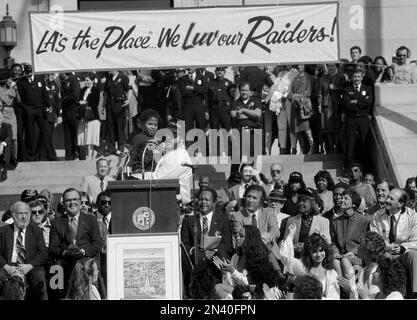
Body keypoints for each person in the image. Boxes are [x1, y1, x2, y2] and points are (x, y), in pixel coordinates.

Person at [181, 188, 233, 298]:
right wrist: (194, 250)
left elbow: (227, 245)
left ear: (214, 202)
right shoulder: (188, 221)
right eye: (200, 199)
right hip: (196, 271)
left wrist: (214, 251)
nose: (203, 202)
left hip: (216, 272)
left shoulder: (223, 220)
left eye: (206, 199)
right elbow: (184, 245)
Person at [49, 188, 101, 296]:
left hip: (85, 257)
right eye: (68, 200)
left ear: (79, 201)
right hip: (65, 259)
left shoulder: (91, 219)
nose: (72, 202)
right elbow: (53, 248)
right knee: (56, 268)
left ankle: (90, 296)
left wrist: (82, 251)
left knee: (87, 266)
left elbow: (96, 245)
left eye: (75, 199)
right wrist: (65, 252)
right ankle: (60, 297)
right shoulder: (56, 222)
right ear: (63, 203)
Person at [213, 224, 284, 300]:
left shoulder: (259, 260)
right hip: (238, 293)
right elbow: (231, 285)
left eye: (241, 236)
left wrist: (233, 271)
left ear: (250, 239)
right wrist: (226, 272)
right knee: (218, 288)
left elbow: (255, 287)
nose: (237, 237)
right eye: (237, 235)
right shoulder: (235, 257)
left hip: (255, 295)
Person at [370, 188, 417, 298]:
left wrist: (403, 248)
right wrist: (384, 246)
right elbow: (373, 238)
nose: (387, 200)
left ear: (400, 203)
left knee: (414, 255)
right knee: (385, 258)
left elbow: (416, 240)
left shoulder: (412, 216)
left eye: (391, 199)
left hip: (404, 254)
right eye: (388, 197)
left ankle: (415, 294)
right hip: (384, 253)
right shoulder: (377, 216)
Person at [0, 201, 48, 300]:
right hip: (9, 265)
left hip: (29, 266)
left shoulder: (37, 231)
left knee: (39, 275)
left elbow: (43, 254)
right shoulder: (3, 231)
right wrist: (7, 267)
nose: (24, 217)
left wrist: (29, 266)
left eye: (26, 213)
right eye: (20, 213)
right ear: (13, 215)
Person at [279, 227, 340, 299]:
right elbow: (285, 257)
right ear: (309, 253)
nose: (318, 254)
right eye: (314, 251)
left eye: (321, 250)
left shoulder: (331, 274)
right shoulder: (302, 267)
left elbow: (334, 297)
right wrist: (290, 235)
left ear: (326, 250)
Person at [331, 190, 370, 281]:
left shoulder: (364, 220)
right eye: (342, 197)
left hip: (358, 256)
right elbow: (333, 242)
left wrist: (353, 252)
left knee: (345, 260)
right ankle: (342, 289)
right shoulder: (335, 222)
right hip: (341, 255)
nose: (341, 200)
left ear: (353, 204)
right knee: (335, 261)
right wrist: (335, 252)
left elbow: (366, 241)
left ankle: (350, 290)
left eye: (346, 198)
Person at [281, 188, 331, 259]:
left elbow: (327, 242)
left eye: (304, 201)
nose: (300, 203)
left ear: (312, 203)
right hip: (295, 259)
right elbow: (285, 241)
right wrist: (293, 246)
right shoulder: (291, 220)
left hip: (314, 259)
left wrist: (307, 246)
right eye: (299, 201)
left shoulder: (323, 221)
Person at [337, 231, 386, 299]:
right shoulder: (364, 270)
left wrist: (352, 288)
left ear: (367, 252)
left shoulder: (377, 274)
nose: (357, 248)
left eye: (360, 246)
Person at [342, 69, 374, 166]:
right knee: (350, 143)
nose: (356, 79)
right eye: (354, 77)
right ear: (352, 78)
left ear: (362, 77)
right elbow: (347, 104)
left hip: (363, 118)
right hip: (351, 118)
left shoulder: (367, 88)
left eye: (358, 77)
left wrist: (355, 102)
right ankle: (349, 166)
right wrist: (361, 102)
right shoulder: (347, 89)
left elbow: (369, 102)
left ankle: (366, 167)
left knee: (365, 142)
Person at [230, 82, 262, 168]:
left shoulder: (256, 101)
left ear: (250, 91)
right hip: (239, 132)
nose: (244, 92)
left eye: (246, 90)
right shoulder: (235, 103)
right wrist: (251, 114)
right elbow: (234, 115)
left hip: (252, 133)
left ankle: (250, 178)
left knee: (251, 158)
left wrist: (243, 110)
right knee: (236, 159)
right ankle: (234, 179)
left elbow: (258, 114)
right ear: (239, 91)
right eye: (242, 90)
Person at [288, 64, 314, 154]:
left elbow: (309, 91)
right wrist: (292, 97)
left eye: (302, 65)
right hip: (295, 106)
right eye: (298, 65)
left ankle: (312, 147)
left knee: (307, 128)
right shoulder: (295, 78)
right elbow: (290, 92)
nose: (300, 67)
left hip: (304, 106)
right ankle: (302, 150)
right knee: (297, 130)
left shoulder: (309, 77)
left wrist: (299, 97)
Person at [207, 67, 233, 156]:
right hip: (214, 109)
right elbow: (207, 98)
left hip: (225, 109)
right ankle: (215, 153)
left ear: (224, 72)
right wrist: (207, 111)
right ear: (215, 72)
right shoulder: (210, 83)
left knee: (227, 131)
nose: (219, 72)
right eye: (218, 71)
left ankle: (229, 152)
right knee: (214, 131)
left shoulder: (229, 83)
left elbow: (233, 97)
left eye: (221, 70)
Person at [105, 70, 131, 155]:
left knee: (120, 126)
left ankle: (121, 148)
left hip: (119, 103)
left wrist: (128, 99)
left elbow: (129, 89)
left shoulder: (123, 78)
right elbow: (106, 92)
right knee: (110, 126)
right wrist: (102, 104)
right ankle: (111, 149)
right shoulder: (108, 79)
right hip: (110, 104)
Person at [77, 73, 101, 160]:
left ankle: (91, 156)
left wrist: (86, 102)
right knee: (83, 138)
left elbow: (95, 103)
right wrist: (80, 102)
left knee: (90, 138)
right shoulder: (83, 90)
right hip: (83, 116)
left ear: (92, 81)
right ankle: (86, 156)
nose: (86, 82)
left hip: (92, 117)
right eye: (85, 80)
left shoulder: (95, 90)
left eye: (88, 80)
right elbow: (78, 100)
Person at [129, 109, 160, 175]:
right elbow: (131, 157)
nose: (153, 127)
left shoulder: (158, 139)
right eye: (150, 124)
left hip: (155, 173)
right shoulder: (138, 138)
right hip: (140, 173)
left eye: (155, 125)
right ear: (142, 124)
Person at [178, 67, 208, 136]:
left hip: (199, 105)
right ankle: (189, 145)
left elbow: (204, 90)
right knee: (188, 129)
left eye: (191, 66)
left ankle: (201, 146)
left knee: (200, 128)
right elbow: (184, 92)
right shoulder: (182, 79)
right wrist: (198, 91)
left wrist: (192, 88)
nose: (189, 67)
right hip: (187, 106)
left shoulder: (202, 77)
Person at [60, 72, 81, 160]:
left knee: (75, 133)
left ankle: (77, 153)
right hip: (66, 111)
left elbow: (75, 95)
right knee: (67, 134)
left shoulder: (74, 80)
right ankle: (69, 155)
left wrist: (64, 98)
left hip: (73, 110)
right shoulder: (63, 82)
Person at [0, 112, 12, 181]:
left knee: (7, 146)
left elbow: (9, 137)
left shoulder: (7, 126)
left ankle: (4, 168)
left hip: (5, 148)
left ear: (1, 119)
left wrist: (2, 144)